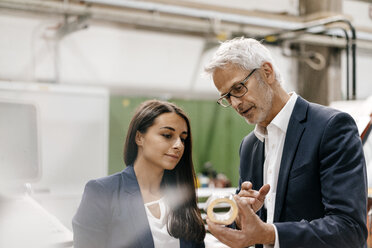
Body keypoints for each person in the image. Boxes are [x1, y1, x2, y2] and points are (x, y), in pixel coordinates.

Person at [203, 37, 367, 248]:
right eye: (226, 97)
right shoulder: (249, 146)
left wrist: (270, 234)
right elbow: (251, 232)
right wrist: (241, 215)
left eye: (238, 88)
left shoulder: (331, 127)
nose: (235, 103)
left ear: (267, 72)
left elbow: (349, 229)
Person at [72, 100, 206, 248]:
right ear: (139, 138)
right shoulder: (102, 192)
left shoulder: (181, 194)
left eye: (183, 138)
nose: (179, 145)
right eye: (167, 135)